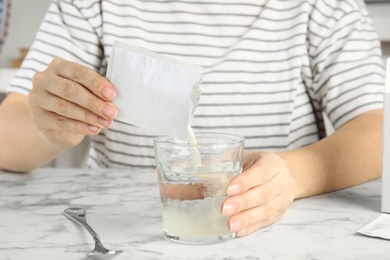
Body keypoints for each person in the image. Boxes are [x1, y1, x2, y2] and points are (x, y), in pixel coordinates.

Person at [0, 0, 384, 237]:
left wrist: (292, 176)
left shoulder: (322, 6)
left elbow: (377, 130)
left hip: (281, 232)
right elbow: (7, 138)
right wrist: (49, 120)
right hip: (125, 230)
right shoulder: (93, 4)